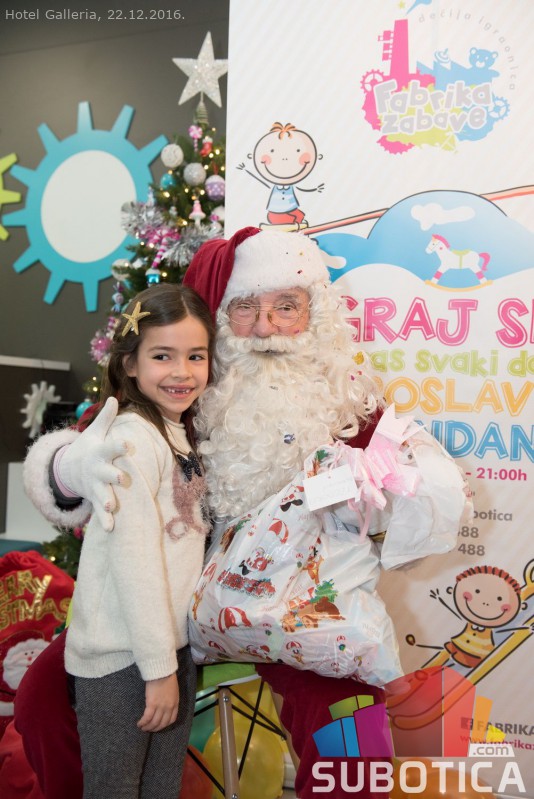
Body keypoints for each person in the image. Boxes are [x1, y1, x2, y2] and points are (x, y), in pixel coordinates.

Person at [17, 227, 467, 798]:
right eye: (246, 308)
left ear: (315, 314)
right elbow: (68, 463)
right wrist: (72, 467)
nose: (266, 327)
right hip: (162, 607)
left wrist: (416, 482)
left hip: (294, 611)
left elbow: (402, 471)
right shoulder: (180, 385)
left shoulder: (343, 396)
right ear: (220, 321)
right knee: (42, 698)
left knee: (352, 726)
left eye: (287, 307)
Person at [23, 283, 214, 799]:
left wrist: (171, 662)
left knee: (159, 789)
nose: (181, 372)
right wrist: (159, 670)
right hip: (123, 659)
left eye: (196, 356)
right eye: (162, 356)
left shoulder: (179, 433)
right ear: (130, 363)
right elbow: (136, 562)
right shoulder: (130, 441)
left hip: (166, 651)